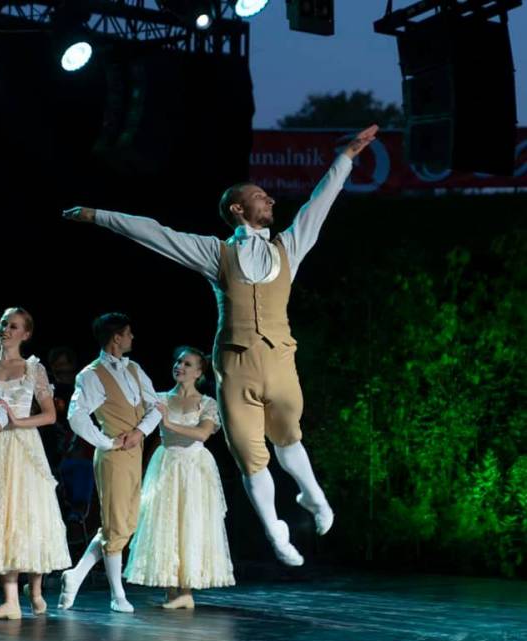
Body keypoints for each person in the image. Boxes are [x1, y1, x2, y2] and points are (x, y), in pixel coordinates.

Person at [63, 125, 378, 567]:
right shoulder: (217, 254)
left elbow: (319, 204)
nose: (270, 200)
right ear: (237, 208)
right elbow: (155, 234)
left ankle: (313, 495)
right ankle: (275, 530)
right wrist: (98, 216)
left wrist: (345, 158)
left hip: (279, 359)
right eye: (260, 197)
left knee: (288, 436)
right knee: (250, 455)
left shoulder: (288, 246)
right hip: (234, 366)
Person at [60, 312, 161, 613]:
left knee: (124, 524)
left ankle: (75, 575)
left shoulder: (134, 369)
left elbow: (157, 406)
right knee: (117, 526)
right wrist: (106, 441)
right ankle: (117, 595)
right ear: (116, 338)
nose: (132, 338)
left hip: (134, 452)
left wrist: (140, 432)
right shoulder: (91, 374)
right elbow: (76, 416)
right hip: (113, 458)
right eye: (128, 333)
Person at [124, 346, 235, 610]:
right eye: (177, 362)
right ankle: (171, 589)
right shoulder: (161, 398)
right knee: (166, 521)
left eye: (186, 364)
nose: (179, 366)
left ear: (198, 372)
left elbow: (203, 433)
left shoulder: (207, 403)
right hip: (167, 463)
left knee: (191, 521)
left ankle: (186, 589)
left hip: (195, 467)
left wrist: (169, 423)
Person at [0, 307, 71, 620]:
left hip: (24, 446)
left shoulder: (32, 369)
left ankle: (35, 590)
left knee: (31, 513)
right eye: (3, 323)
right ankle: (11, 599)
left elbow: (50, 415)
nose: (5, 330)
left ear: (26, 334)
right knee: (4, 517)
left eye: (13, 326)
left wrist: (18, 421)